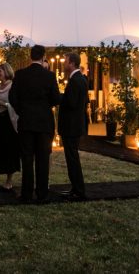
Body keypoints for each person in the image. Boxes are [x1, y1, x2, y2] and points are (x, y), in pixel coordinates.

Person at [9, 44, 61, 204]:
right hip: (44, 122)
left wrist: (21, 110)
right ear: (43, 56)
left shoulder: (20, 74)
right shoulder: (49, 76)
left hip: (26, 122)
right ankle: (42, 193)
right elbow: (56, 98)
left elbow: (12, 97)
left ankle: (26, 194)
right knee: (42, 158)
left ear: (30, 56)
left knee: (27, 158)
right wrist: (45, 107)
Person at [57, 53, 89, 200]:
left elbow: (71, 102)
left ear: (72, 63)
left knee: (72, 159)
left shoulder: (75, 80)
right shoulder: (80, 79)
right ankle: (75, 188)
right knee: (72, 158)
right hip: (75, 125)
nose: (64, 63)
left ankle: (78, 190)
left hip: (71, 126)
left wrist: (58, 96)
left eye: (66, 61)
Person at [0, 62, 20, 191]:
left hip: (9, 121)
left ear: (6, 72)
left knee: (9, 149)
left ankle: (9, 180)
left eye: (0, 71)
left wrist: (4, 104)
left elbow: (16, 104)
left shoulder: (13, 86)